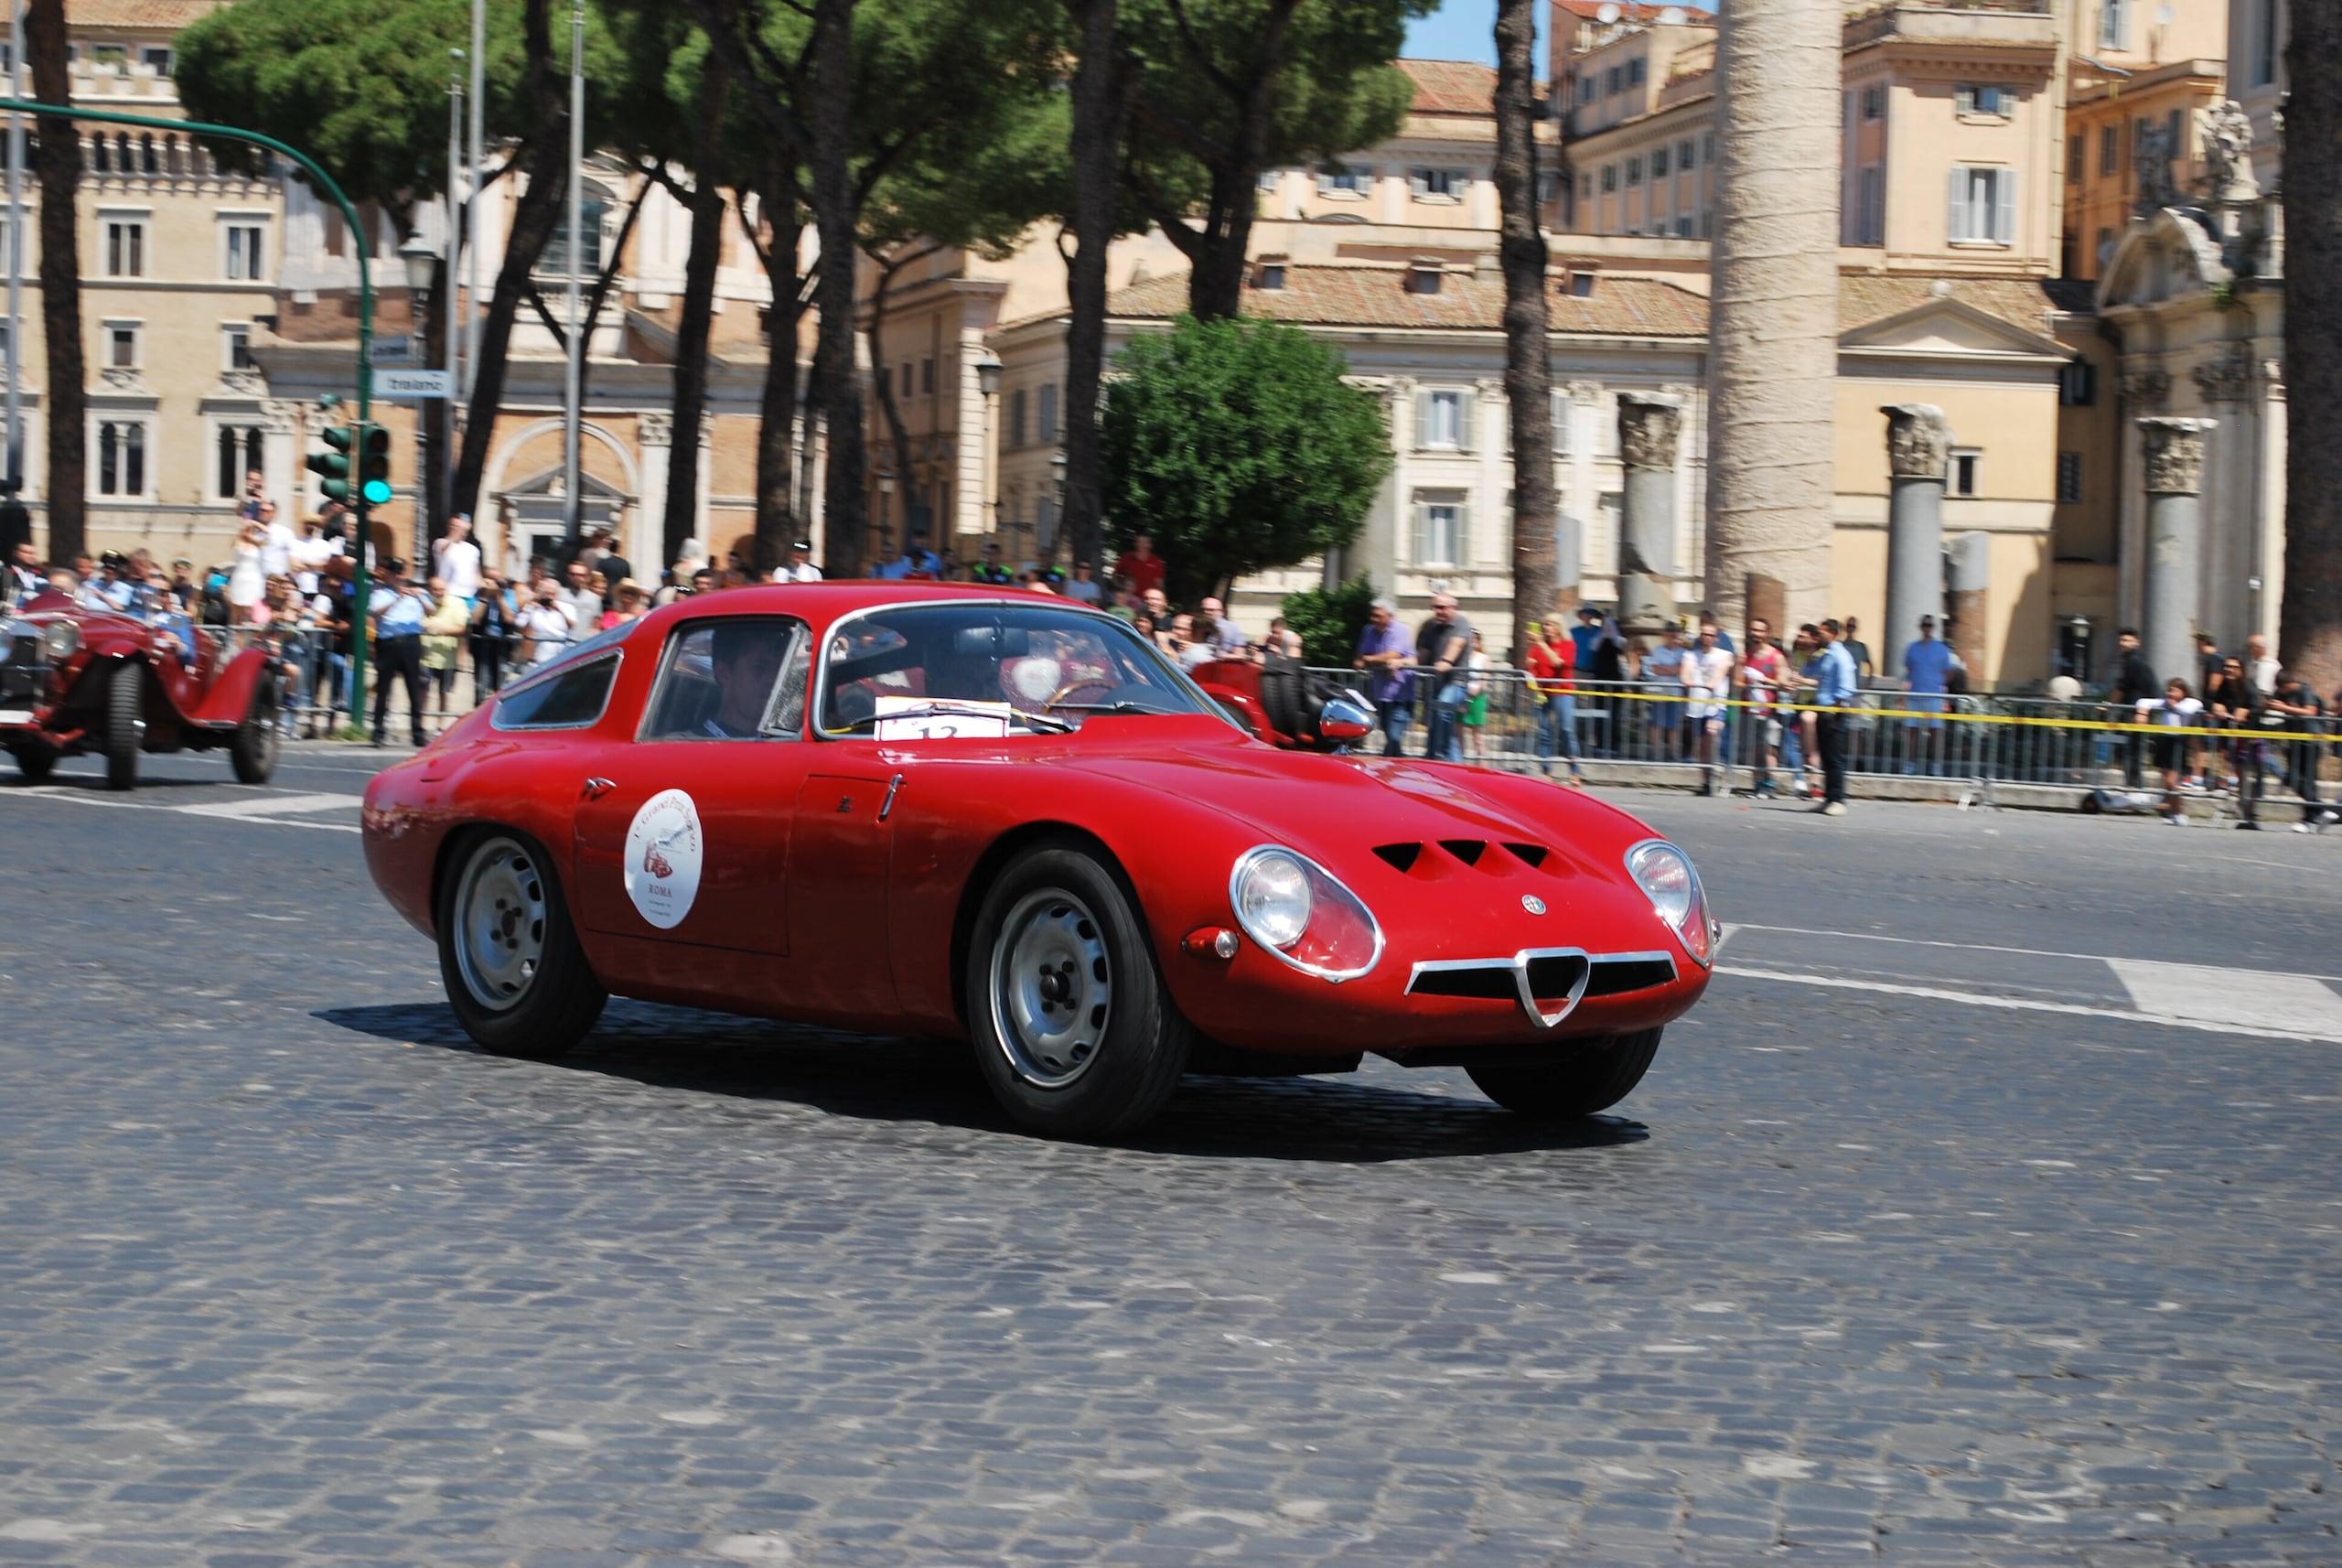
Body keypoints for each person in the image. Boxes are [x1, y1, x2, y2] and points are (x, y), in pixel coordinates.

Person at [368, 558, 432, 746]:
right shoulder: (379, 593)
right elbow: (375, 612)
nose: (398, 577)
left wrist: (418, 596)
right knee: (383, 688)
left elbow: (431, 611)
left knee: (414, 687)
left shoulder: (416, 593)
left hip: (411, 643)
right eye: (394, 573)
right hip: (388, 643)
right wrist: (397, 598)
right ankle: (378, 732)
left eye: (400, 572)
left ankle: (417, 732)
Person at [1800, 618, 1858, 815]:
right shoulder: (1825, 655)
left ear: (1832, 633)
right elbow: (1812, 674)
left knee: (1834, 758)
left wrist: (1835, 709)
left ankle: (1838, 800)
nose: (1818, 635)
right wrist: (1809, 653)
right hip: (1822, 710)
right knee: (1825, 756)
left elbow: (1847, 687)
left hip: (1833, 712)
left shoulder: (1841, 655)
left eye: (1821, 632)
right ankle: (1829, 797)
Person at [699, 621, 787, 736]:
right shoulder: (688, 747)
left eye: (781, 669)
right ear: (724, 674)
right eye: (760, 668)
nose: (773, 679)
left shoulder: (787, 741)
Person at [1414, 593, 1474, 763]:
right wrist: (1400, 662)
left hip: (1456, 682)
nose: (1437, 611)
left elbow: (1457, 644)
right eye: (1435, 607)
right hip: (1436, 683)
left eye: (1442, 607)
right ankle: (1433, 759)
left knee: (1442, 711)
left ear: (1454, 607)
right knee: (1434, 721)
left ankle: (1452, 761)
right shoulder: (1432, 627)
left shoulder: (1461, 623)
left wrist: (1447, 661)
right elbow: (1422, 656)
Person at [1523, 620, 1583, 785]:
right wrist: (1529, 666)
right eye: (1545, 625)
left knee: (1566, 730)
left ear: (1558, 627)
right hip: (1543, 693)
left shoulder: (1568, 645)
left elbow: (1560, 664)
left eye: (1549, 624)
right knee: (1544, 732)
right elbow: (1531, 672)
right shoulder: (1536, 648)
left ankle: (1574, 771)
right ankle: (1546, 770)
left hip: (1563, 692)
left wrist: (1541, 644)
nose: (1545, 628)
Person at [2137, 678, 2202, 824]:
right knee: (2165, 780)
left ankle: (2181, 813)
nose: (2170, 693)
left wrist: (2174, 705)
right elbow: (2143, 701)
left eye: (2174, 690)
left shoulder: (2190, 702)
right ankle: (2172, 813)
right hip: (2163, 739)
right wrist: (2142, 712)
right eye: (2169, 690)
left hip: (2177, 741)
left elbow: (2189, 709)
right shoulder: (2164, 702)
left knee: (2172, 781)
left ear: (2183, 692)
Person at [1354, 597, 1413, 756]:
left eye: (1378, 616)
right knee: (1389, 735)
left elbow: (1392, 655)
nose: (1374, 619)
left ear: (1389, 616)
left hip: (1400, 694)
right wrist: (1368, 660)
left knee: (1394, 737)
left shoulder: (1401, 630)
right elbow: (1360, 656)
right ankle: (1396, 766)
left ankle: (1392, 765)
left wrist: (1369, 659)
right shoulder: (1369, 630)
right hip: (1380, 693)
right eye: (1373, 615)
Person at [1740, 617, 1791, 798]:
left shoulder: (1776, 656)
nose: (1756, 634)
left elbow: (1783, 682)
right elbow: (1738, 681)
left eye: (1760, 631)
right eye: (1753, 630)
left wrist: (1762, 679)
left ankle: (1769, 784)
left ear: (1767, 634)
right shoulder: (1745, 655)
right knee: (1754, 748)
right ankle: (1757, 783)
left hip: (1770, 710)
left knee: (1769, 747)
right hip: (1749, 708)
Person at [1679, 622, 1734, 789]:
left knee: (1712, 732)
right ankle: (1706, 780)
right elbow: (1685, 673)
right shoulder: (1691, 655)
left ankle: (1718, 773)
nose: (1706, 638)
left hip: (1716, 703)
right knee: (1703, 745)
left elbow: (1721, 672)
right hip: (1697, 705)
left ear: (1716, 638)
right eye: (1704, 634)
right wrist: (1687, 680)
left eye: (1710, 635)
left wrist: (1713, 683)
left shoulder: (1724, 655)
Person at [1900, 614, 1955, 776]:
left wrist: (1939, 685)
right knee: (1913, 731)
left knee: (1936, 732)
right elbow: (1908, 671)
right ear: (1920, 627)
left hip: (1934, 696)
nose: (1927, 628)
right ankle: (1911, 764)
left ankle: (1936, 765)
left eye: (1929, 625)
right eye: (1924, 625)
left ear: (1933, 628)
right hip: (1915, 694)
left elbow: (1949, 672)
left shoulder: (1942, 649)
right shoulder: (1912, 648)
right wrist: (1903, 695)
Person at [2107, 628, 2157, 789]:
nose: (2123, 643)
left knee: (2130, 752)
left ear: (2137, 642)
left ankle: (2133, 788)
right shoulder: (2131, 661)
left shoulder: (2134, 662)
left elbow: (2122, 687)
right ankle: (2133, 787)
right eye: (2121, 640)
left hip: (2134, 712)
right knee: (2131, 752)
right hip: (2132, 711)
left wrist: (2109, 705)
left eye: (2127, 640)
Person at [420, 575, 471, 722]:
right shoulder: (423, 602)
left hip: (447, 657)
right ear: (429, 589)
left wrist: (441, 630)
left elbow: (463, 628)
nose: (439, 592)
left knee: (444, 692)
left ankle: (440, 727)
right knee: (423, 691)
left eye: (442, 589)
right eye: (435, 589)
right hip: (425, 656)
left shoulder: (457, 603)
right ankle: (420, 725)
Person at [469, 570, 520, 701]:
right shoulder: (479, 594)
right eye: (491, 579)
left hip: (502, 644)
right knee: (481, 685)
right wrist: (485, 597)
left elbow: (509, 618)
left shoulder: (508, 593)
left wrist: (498, 596)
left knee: (500, 686)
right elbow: (475, 619)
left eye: (497, 579)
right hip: (482, 643)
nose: (494, 583)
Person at [1641, 623, 1687, 762]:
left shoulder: (1683, 652)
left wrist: (1666, 668)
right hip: (1660, 691)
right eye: (1669, 635)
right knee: (1656, 723)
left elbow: (1681, 670)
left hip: (1675, 691)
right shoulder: (1657, 650)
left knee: (1673, 725)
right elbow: (1656, 670)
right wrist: (1672, 669)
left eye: (1674, 635)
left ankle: (1673, 753)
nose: (1672, 638)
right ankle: (1656, 753)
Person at [519, 576, 576, 666]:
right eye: (547, 593)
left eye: (552, 593)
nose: (549, 597)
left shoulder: (567, 607)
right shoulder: (534, 609)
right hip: (540, 659)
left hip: (562, 658)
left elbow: (572, 626)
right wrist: (531, 605)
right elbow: (519, 623)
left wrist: (559, 610)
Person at [432, 514, 483, 608]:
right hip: (450, 594)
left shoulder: (473, 549)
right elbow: (443, 549)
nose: (454, 528)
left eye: (458, 526)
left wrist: (481, 584)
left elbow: (476, 572)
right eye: (453, 525)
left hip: (470, 595)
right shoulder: (440, 543)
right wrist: (458, 533)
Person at [1459, 629, 1492, 762]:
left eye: (1474, 639)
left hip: (1476, 697)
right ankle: (1460, 765)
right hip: (1461, 696)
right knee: (1458, 735)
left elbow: (1484, 681)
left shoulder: (1483, 658)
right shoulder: (1462, 657)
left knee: (1477, 736)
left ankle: (1483, 766)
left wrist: (1471, 696)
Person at [1112, 532, 1166, 601]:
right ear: (1135, 543)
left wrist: (1157, 599)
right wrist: (1119, 586)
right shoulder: (1127, 557)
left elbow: (1159, 584)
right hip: (1126, 599)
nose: (1140, 544)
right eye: (1138, 542)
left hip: (1145, 602)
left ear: (1150, 545)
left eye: (1144, 542)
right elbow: (1115, 573)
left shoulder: (1156, 561)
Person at [1841, 616, 1875, 682]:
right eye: (1849, 626)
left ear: (1856, 628)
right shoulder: (1839, 646)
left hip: (1855, 686)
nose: (1850, 628)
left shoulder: (1861, 647)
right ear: (1845, 628)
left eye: (1853, 626)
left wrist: (1868, 683)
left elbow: (1871, 666)